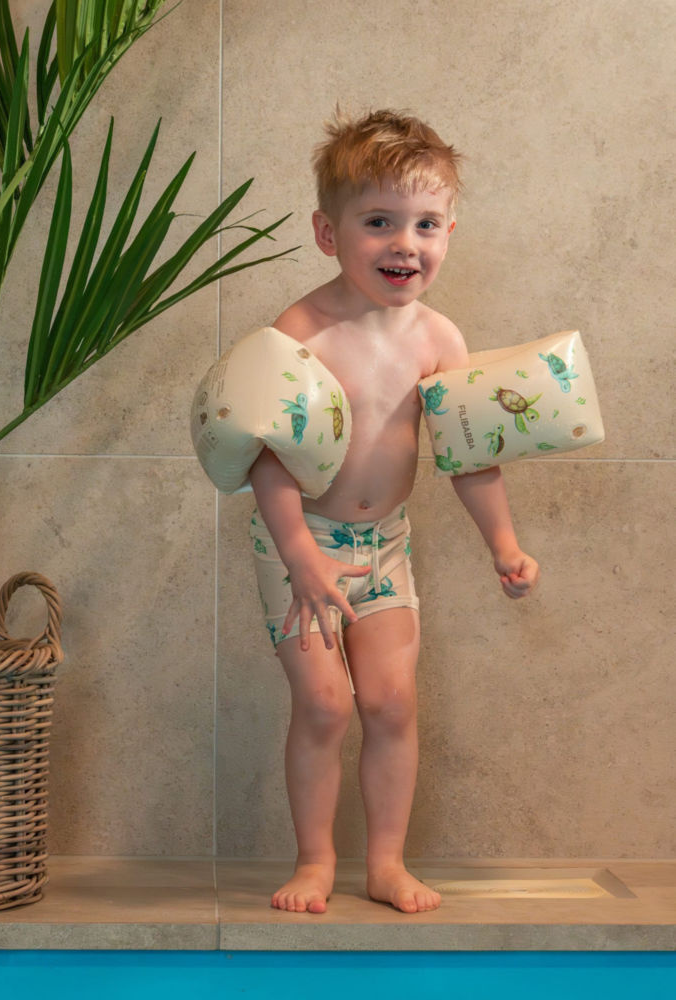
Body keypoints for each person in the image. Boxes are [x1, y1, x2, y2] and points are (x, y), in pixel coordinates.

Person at [248, 108, 539, 915]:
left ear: (449, 232)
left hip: (384, 545)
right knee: (324, 704)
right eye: (378, 222)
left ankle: (384, 863)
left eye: (425, 224)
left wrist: (504, 543)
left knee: (391, 702)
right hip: (299, 542)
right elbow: (266, 458)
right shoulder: (299, 333)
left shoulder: (440, 339)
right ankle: (315, 860)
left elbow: (468, 454)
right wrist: (300, 554)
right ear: (328, 232)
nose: (404, 243)